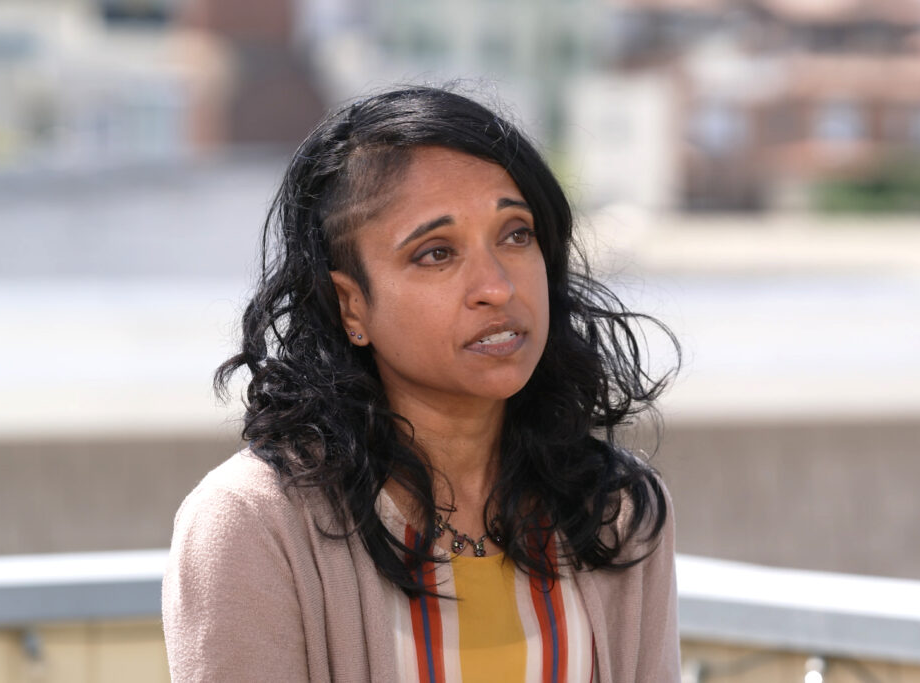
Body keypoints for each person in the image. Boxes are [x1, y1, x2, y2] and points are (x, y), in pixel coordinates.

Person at [163, 86, 682, 682]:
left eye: (516, 234)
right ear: (351, 305)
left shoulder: (614, 508)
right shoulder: (254, 524)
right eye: (437, 253)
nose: (496, 287)